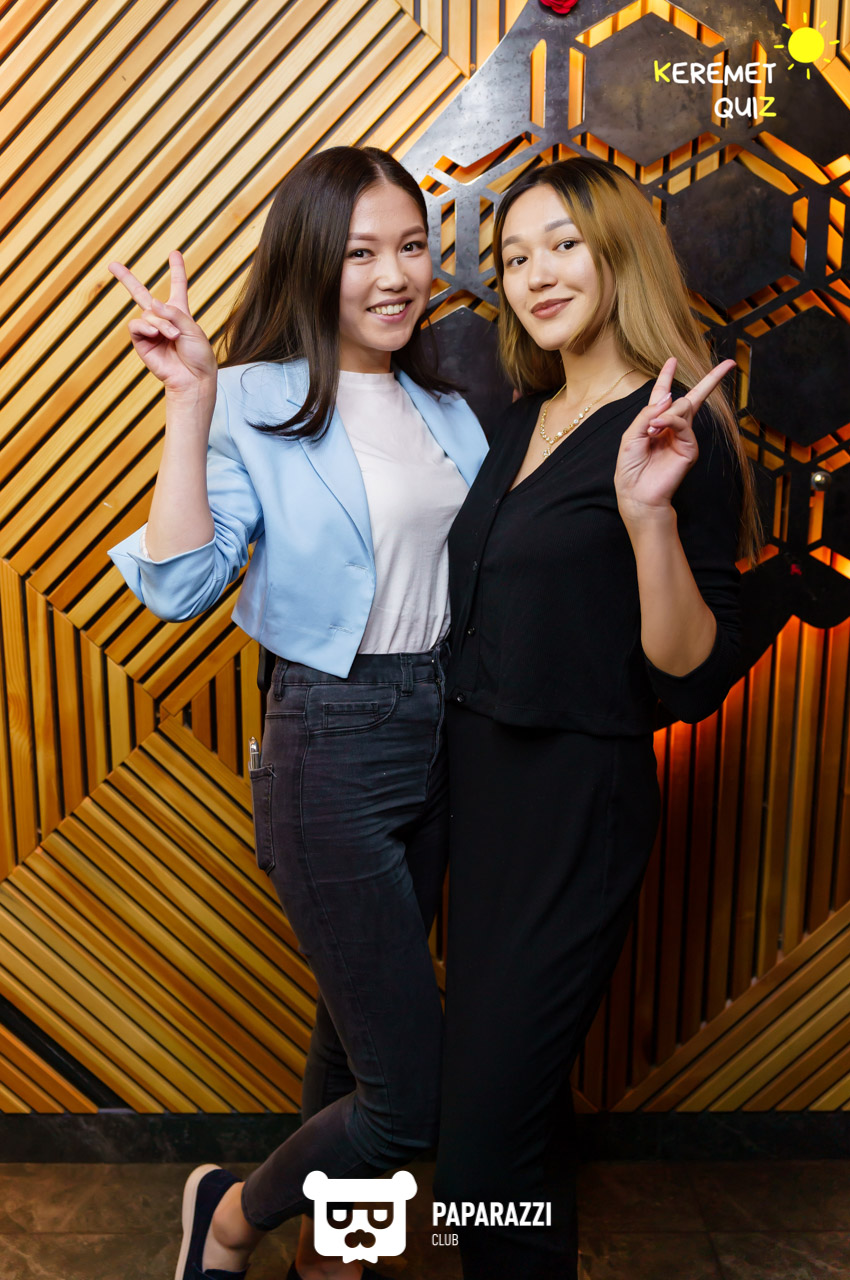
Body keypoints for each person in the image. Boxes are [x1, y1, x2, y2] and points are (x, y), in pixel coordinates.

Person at [106, 145, 487, 1280]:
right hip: (330, 740)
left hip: (446, 734)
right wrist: (190, 401)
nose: (394, 275)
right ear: (312, 261)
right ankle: (231, 1214)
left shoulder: (448, 408)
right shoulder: (250, 395)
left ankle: (331, 1257)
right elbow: (181, 585)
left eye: (411, 246)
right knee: (409, 1095)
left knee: (352, 1041)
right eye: (360, 252)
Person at [433, 156, 761, 1279]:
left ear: (618, 250)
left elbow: (689, 672)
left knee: (481, 1147)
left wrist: (645, 516)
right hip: (481, 802)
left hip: (574, 804)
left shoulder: (673, 430)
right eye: (515, 257)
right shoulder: (525, 413)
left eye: (563, 244)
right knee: (516, 1122)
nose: (535, 274)